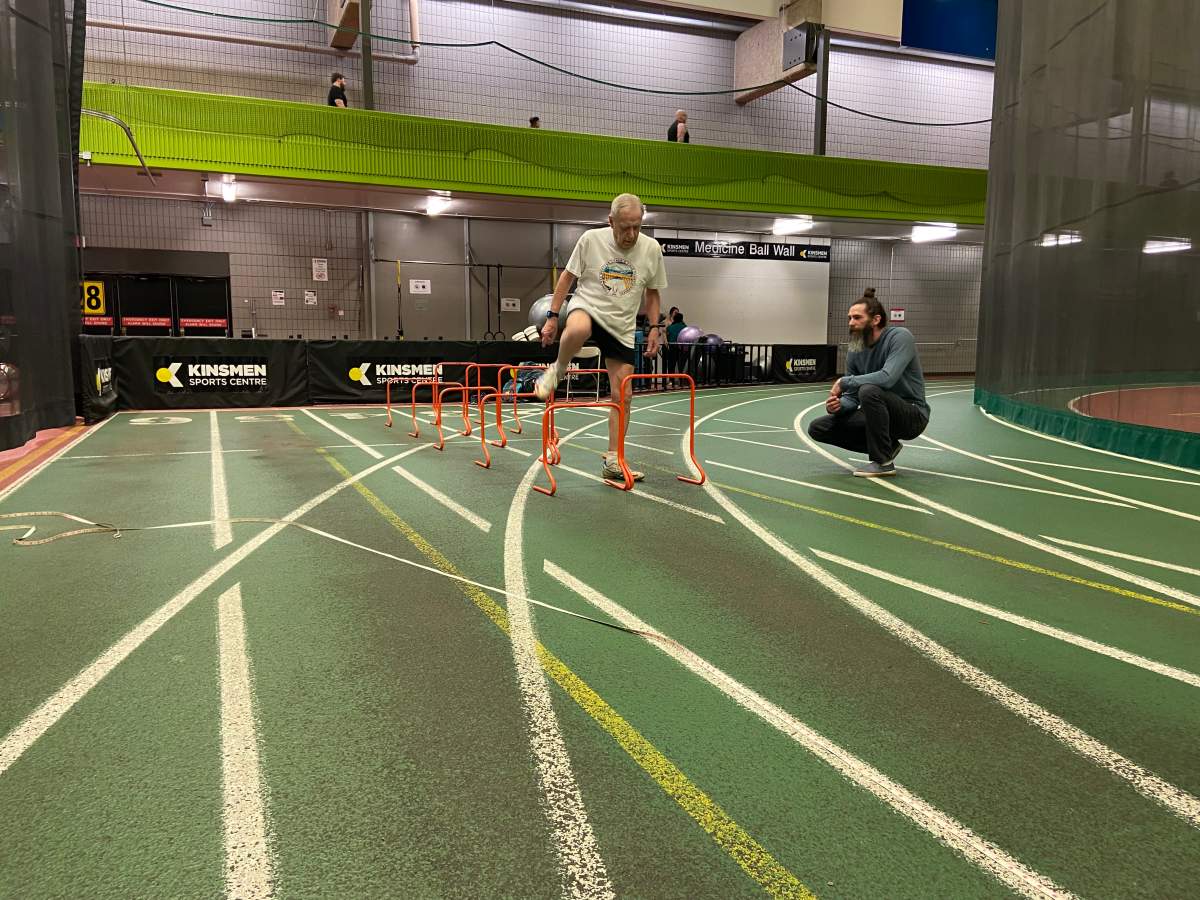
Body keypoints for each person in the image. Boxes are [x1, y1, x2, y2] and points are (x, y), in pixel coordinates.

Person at [536, 193, 666, 481]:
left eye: (637, 226)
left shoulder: (651, 249)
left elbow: (654, 292)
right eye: (624, 227)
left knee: (625, 396)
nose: (631, 234)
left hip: (622, 325)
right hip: (588, 307)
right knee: (580, 328)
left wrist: (655, 328)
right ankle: (557, 369)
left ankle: (614, 459)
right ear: (611, 221)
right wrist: (553, 317)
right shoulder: (591, 240)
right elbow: (567, 278)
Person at [808, 288, 929, 477]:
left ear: (876, 319)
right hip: (876, 413)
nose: (851, 323)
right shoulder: (855, 349)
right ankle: (888, 447)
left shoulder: (900, 337)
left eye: (857, 318)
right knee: (818, 428)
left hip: (911, 415)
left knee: (869, 390)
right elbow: (851, 398)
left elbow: (887, 378)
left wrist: (844, 381)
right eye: (849, 318)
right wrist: (838, 407)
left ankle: (883, 462)